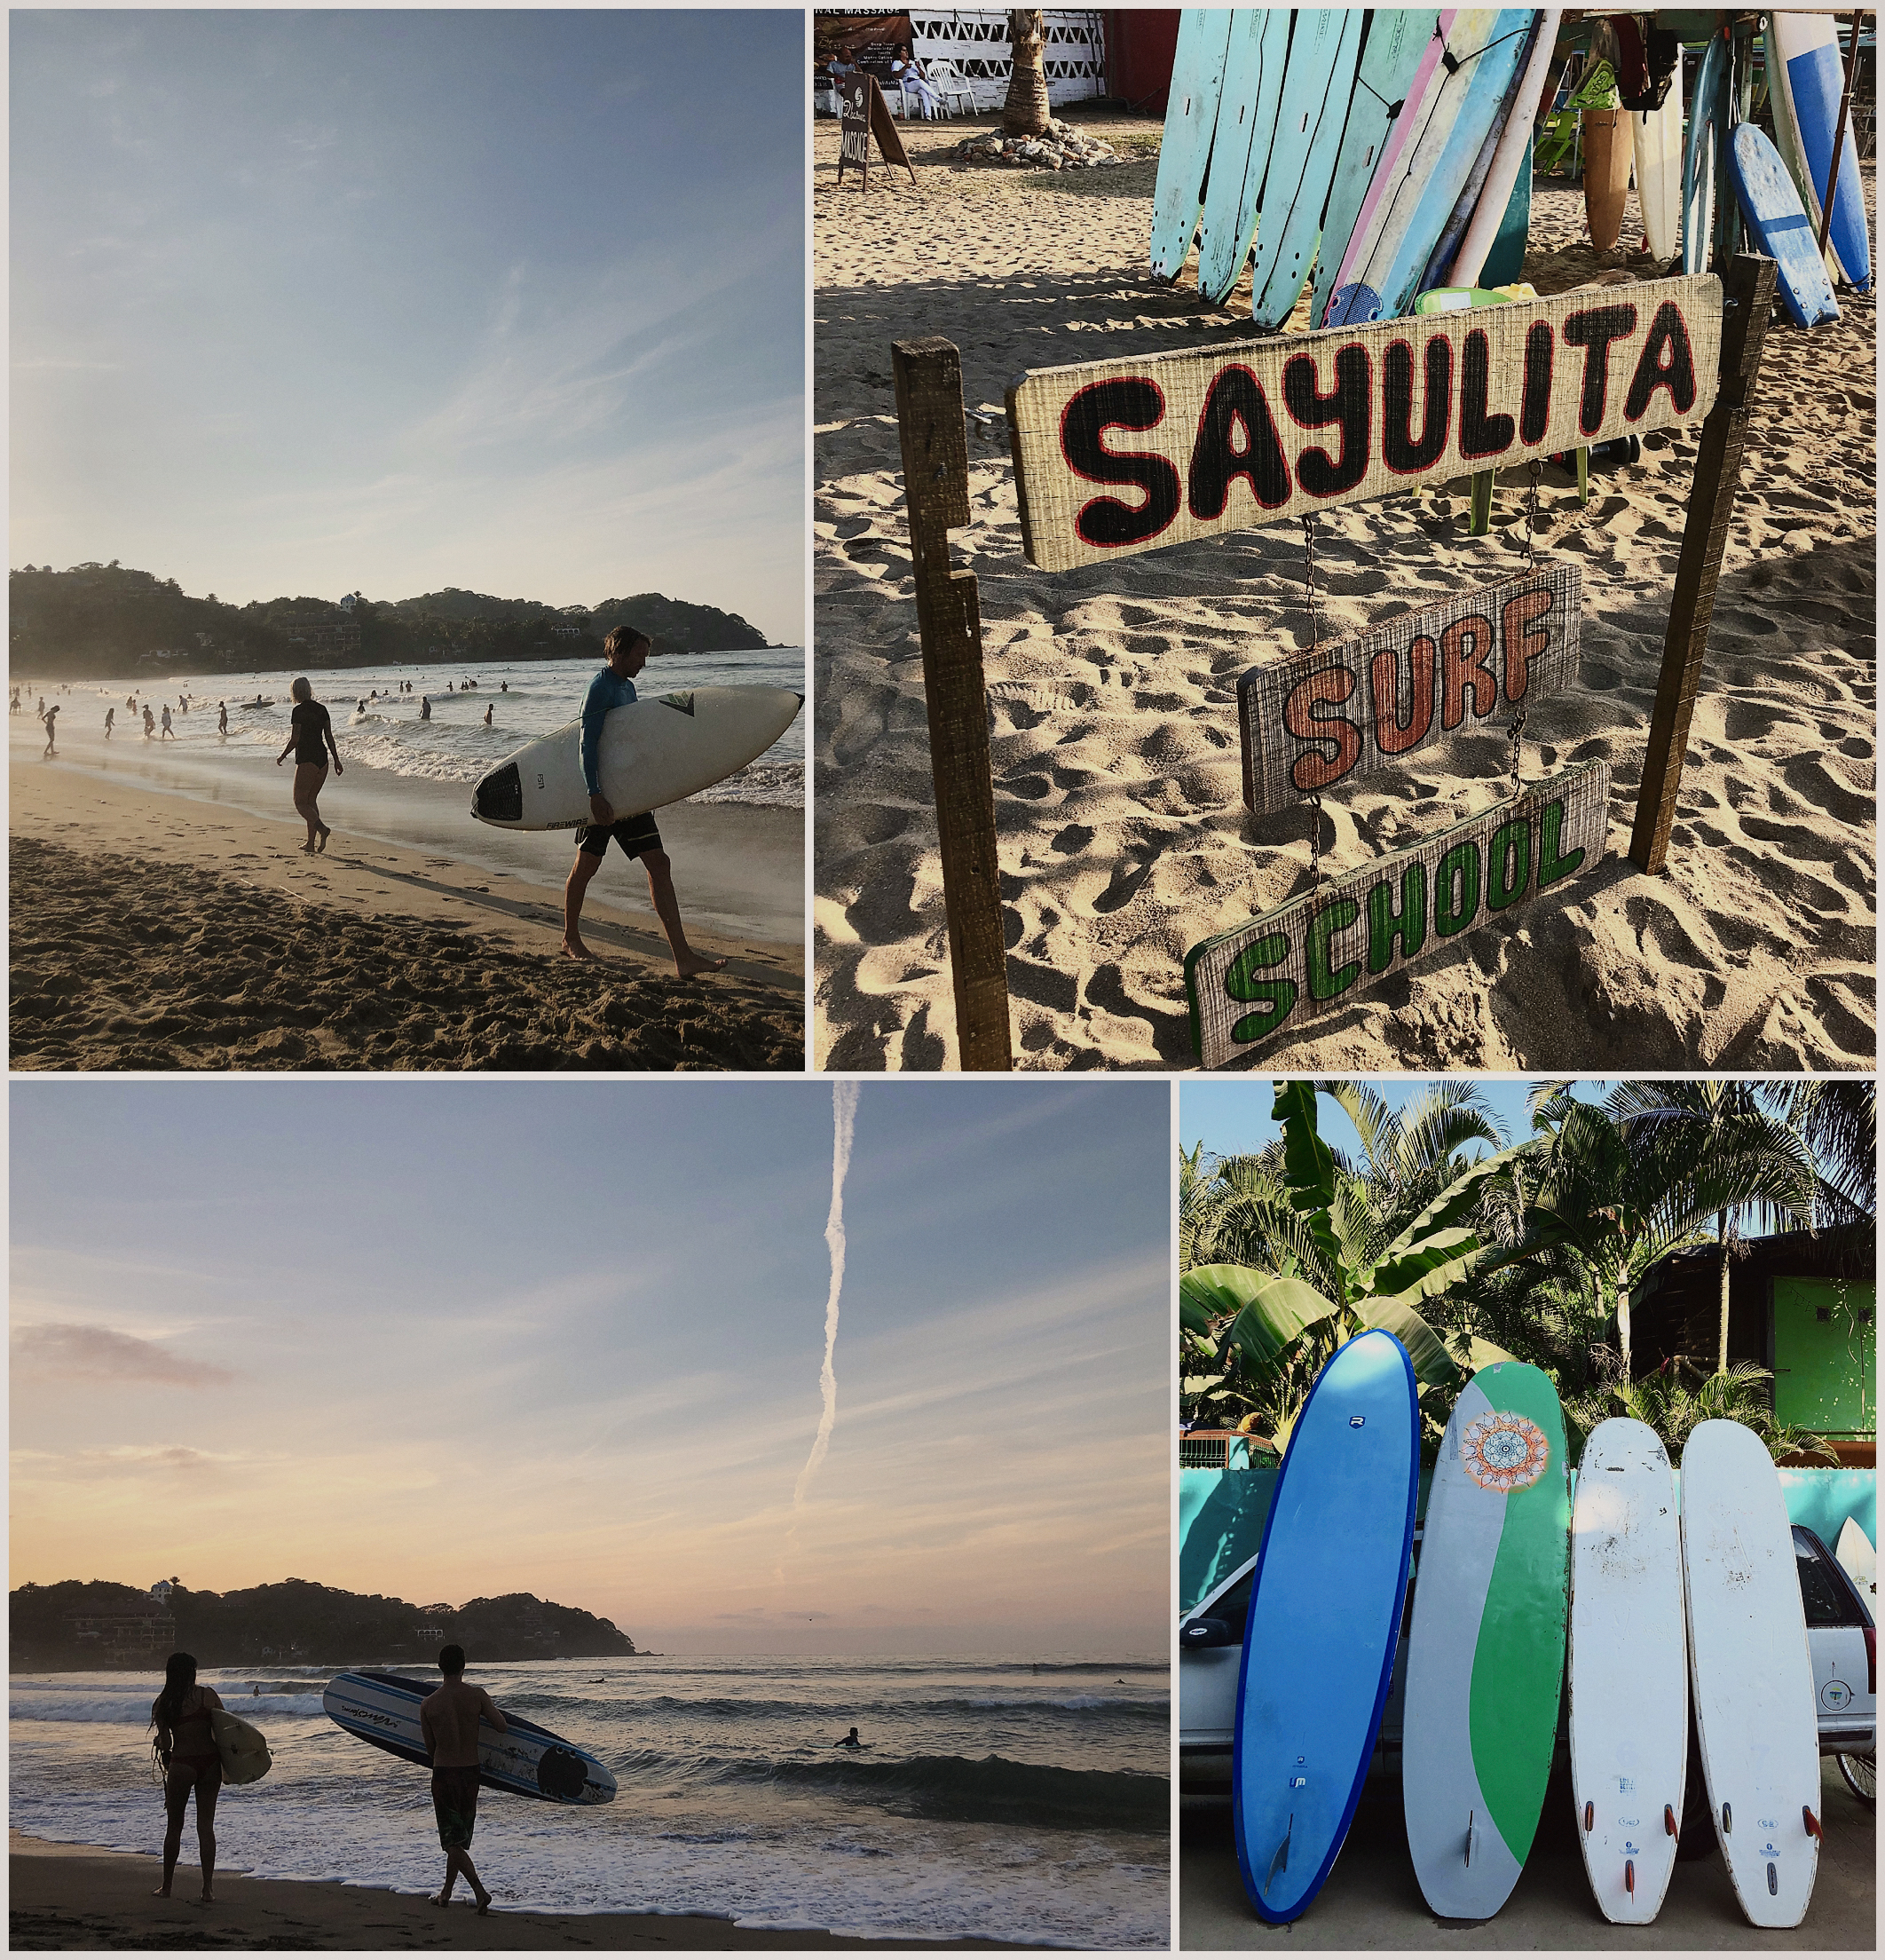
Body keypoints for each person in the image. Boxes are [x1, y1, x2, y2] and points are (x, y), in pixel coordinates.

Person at [562, 625, 728, 978]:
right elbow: (586, 744)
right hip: (604, 796)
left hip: (628, 794)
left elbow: (630, 739)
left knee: (659, 863)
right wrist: (594, 794)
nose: (644, 663)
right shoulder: (599, 688)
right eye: (640, 655)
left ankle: (682, 957)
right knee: (587, 866)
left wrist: (651, 784)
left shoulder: (627, 687)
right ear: (619, 652)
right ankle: (571, 938)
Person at [419, 1645, 505, 1915]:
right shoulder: (477, 1696)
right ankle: (446, 1894)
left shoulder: (429, 1704)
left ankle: (480, 1892)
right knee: (458, 1839)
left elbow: (430, 1749)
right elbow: (502, 1726)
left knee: (452, 1841)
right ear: (464, 1665)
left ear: (440, 1666)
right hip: (471, 1773)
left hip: (444, 1773)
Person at [150, 1652, 225, 1906]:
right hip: (210, 1763)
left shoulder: (164, 1703)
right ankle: (207, 1890)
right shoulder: (208, 1695)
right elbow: (226, 1730)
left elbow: (167, 1742)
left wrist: (159, 1742)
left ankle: (167, 1886)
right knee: (206, 1827)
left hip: (182, 1764)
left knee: (174, 1827)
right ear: (192, 1672)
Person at [274, 675, 343, 853]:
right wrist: (336, 760)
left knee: (299, 802)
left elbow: (295, 738)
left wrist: (282, 756)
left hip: (307, 759)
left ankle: (322, 829)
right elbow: (329, 737)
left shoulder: (298, 711)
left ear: (295, 692)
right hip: (322, 759)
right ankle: (311, 844)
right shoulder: (322, 709)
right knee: (311, 801)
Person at [890, 44, 942, 118]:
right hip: (908, 84)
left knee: (924, 92)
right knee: (920, 82)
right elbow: (896, 75)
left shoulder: (912, 62)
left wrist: (918, 67)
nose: (906, 52)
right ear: (899, 53)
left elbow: (923, 76)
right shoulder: (897, 63)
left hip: (917, 83)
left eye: (906, 50)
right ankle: (937, 98)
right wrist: (905, 67)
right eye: (904, 51)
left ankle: (928, 114)